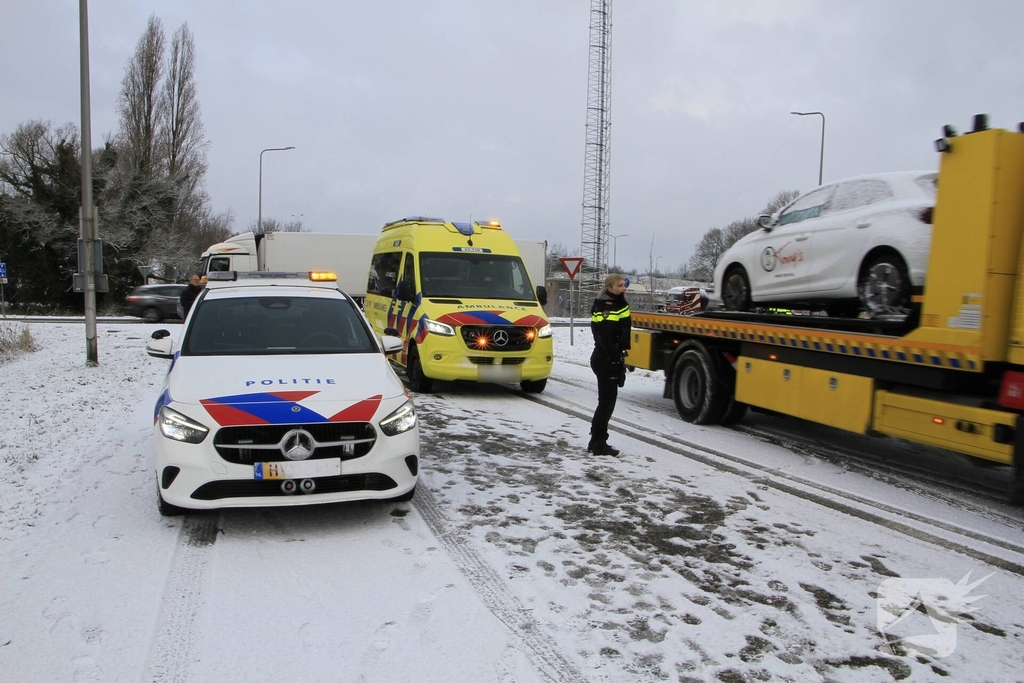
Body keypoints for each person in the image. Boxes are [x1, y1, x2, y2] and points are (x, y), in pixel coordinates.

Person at [588, 273, 631, 456]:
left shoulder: (614, 303)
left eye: (624, 285)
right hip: (606, 358)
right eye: (620, 285)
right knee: (606, 403)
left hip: (605, 357)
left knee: (605, 402)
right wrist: (613, 356)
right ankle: (599, 444)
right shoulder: (609, 306)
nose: (623, 288)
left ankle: (595, 440)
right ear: (610, 288)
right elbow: (604, 336)